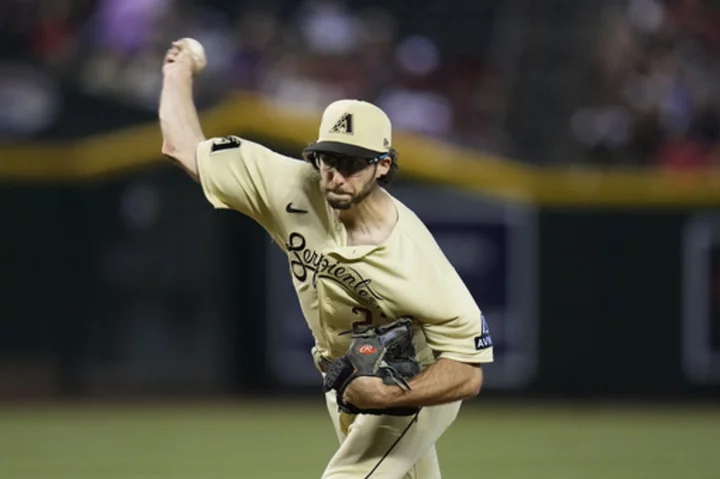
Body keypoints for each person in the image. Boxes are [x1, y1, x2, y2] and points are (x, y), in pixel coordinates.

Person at [159, 39, 494, 479]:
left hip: (410, 381)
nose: (335, 174)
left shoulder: (412, 256)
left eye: (352, 162)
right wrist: (177, 72)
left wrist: (392, 396)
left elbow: (468, 372)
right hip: (346, 378)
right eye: (327, 158)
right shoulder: (289, 186)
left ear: (384, 166)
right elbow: (183, 147)